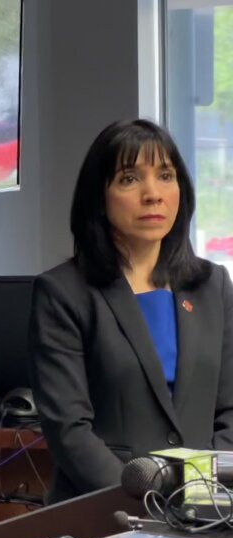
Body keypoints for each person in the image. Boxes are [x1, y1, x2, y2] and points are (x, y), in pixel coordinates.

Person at [29, 118, 233, 503]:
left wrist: (205, 490)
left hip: (208, 510)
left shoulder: (212, 285)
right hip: (105, 511)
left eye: (166, 175)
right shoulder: (62, 293)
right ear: (99, 198)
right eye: (129, 179)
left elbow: (231, 409)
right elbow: (70, 431)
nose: (153, 194)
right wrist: (150, 499)